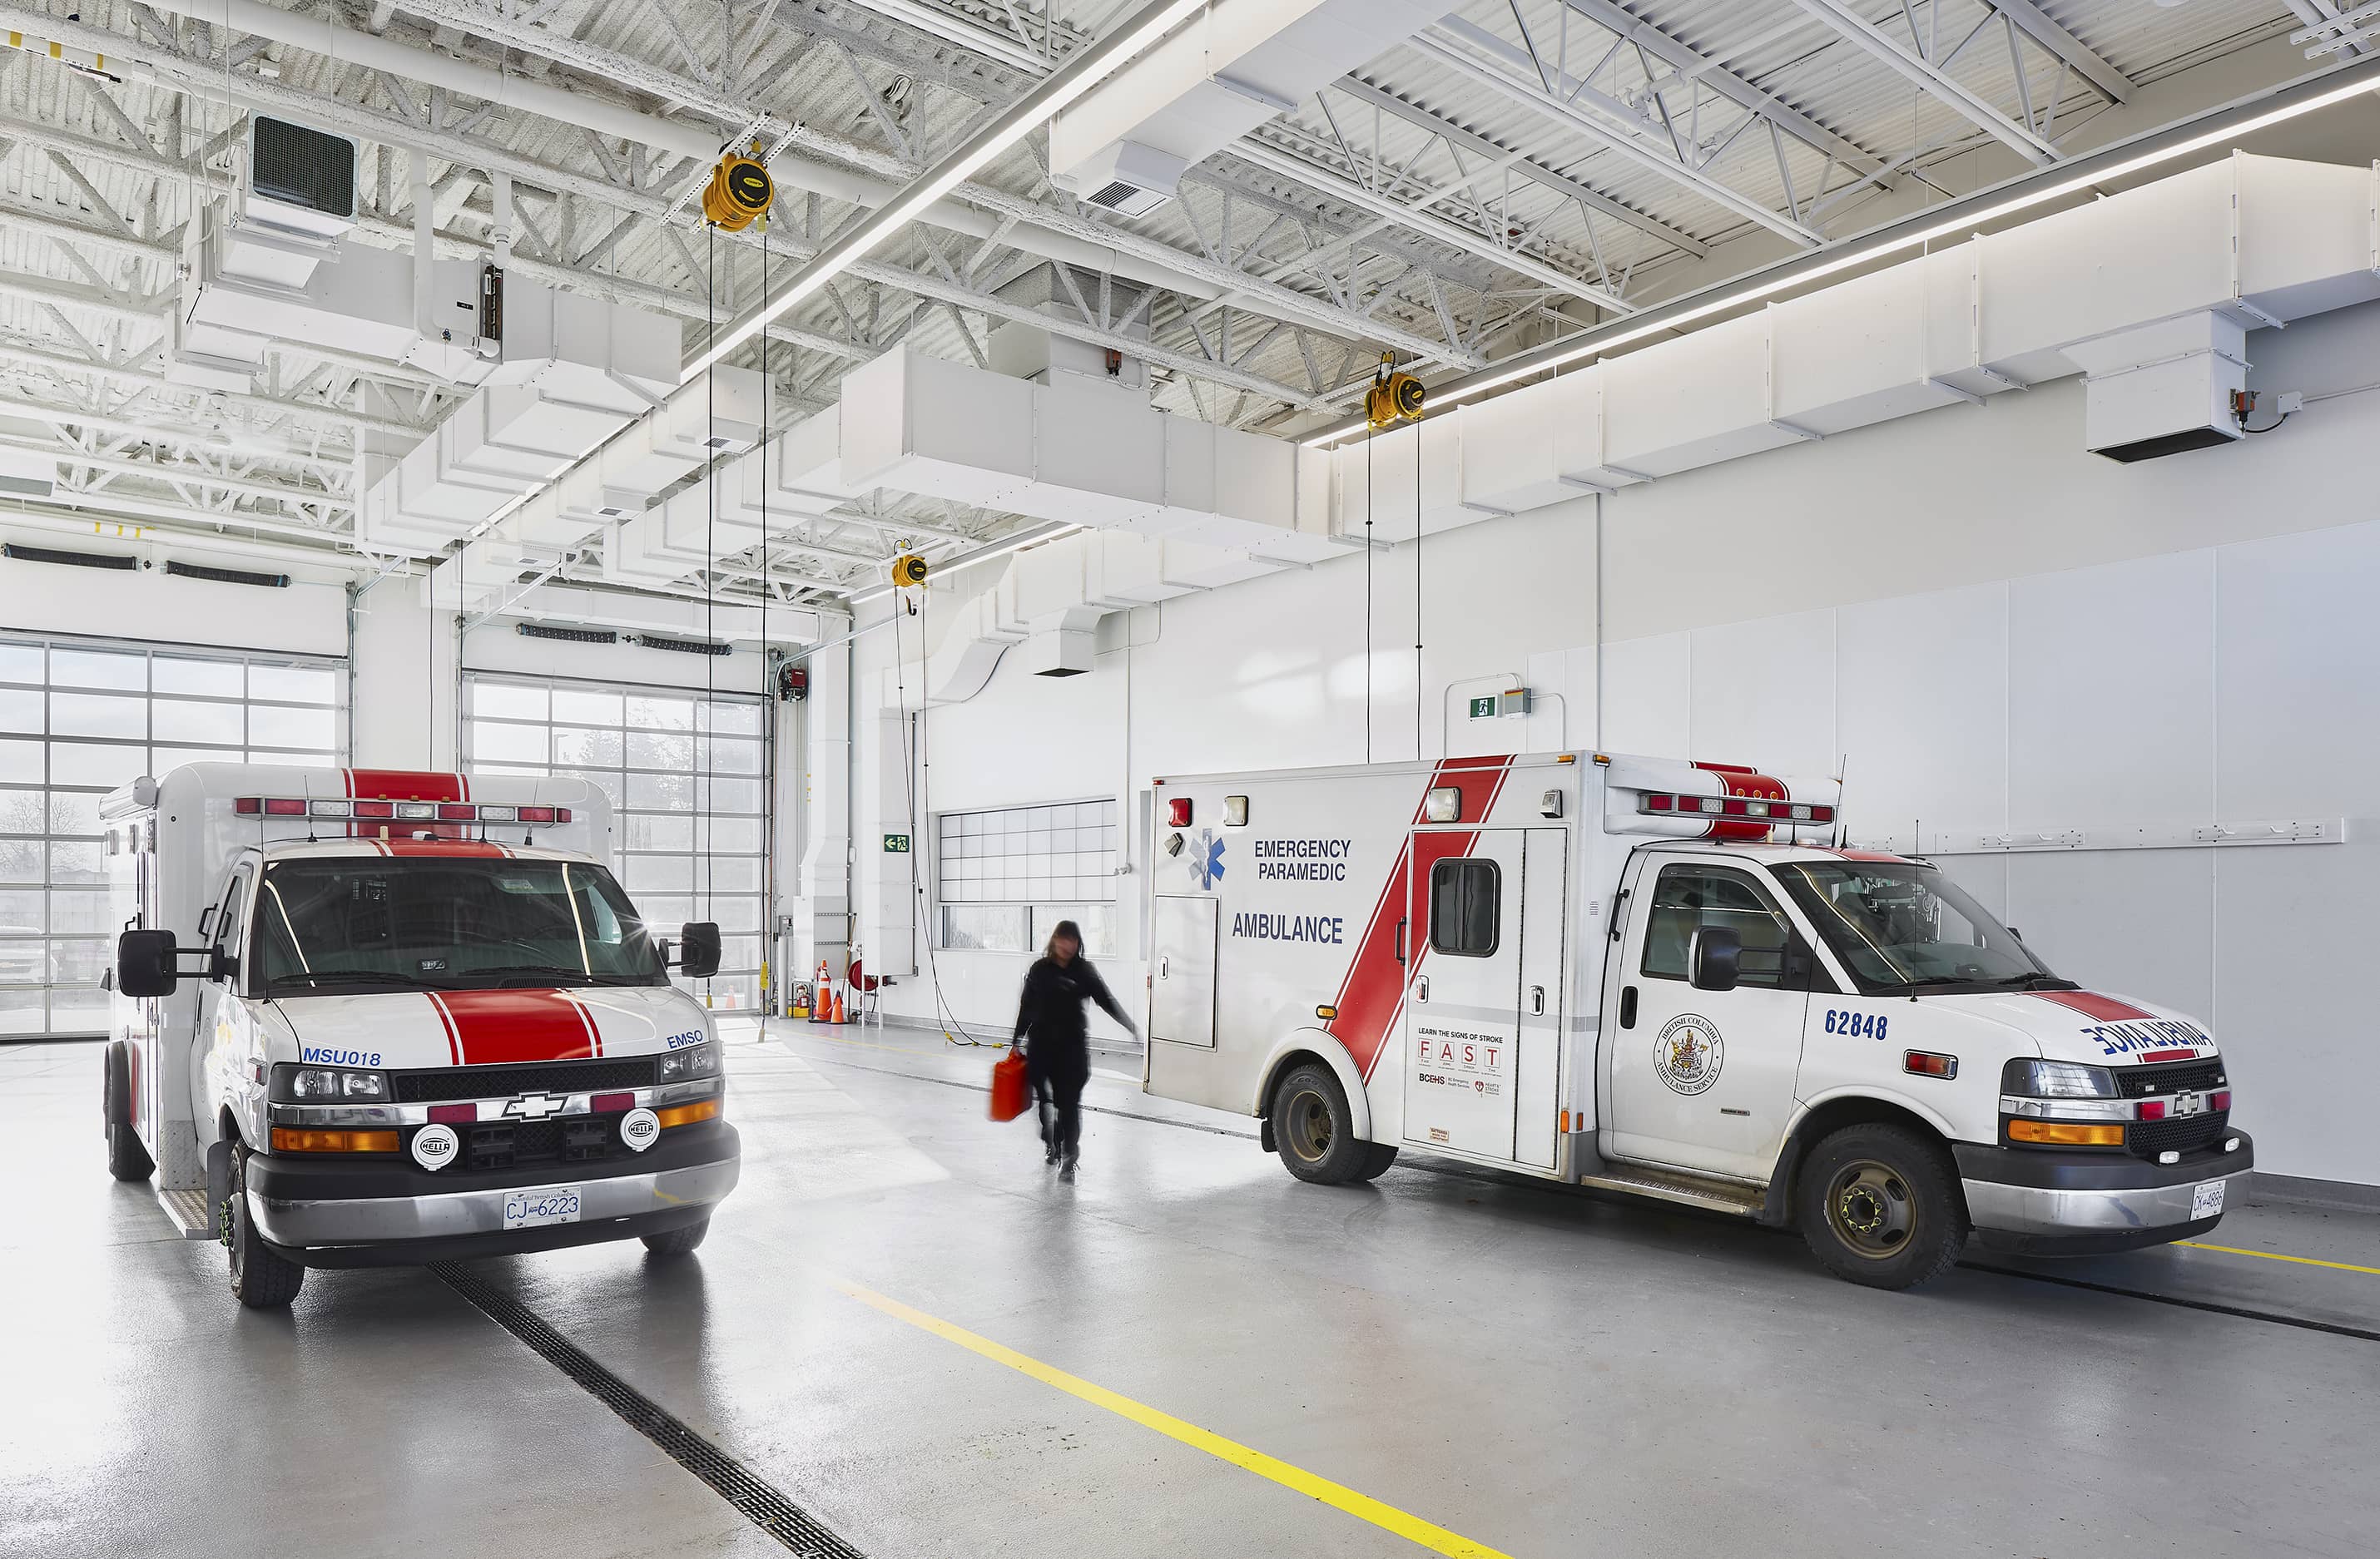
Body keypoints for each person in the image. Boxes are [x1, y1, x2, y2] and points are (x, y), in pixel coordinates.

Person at [1010, 919, 1136, 1179]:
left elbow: (1106, 1000)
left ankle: (1069, 1156)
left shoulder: (1084, 971)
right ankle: (1051, 1143)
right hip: (1042, 1048)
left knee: (1069, 1104)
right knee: (1046, 1104)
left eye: (1073, 940)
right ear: (1055, 940)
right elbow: (1026, 1006)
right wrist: (1016, 1040)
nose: (1068, 945)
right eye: (1063, 939)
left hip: (1072, 1050)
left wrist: (1129, 1025)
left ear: (1078, 943)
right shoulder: (1040, 970)